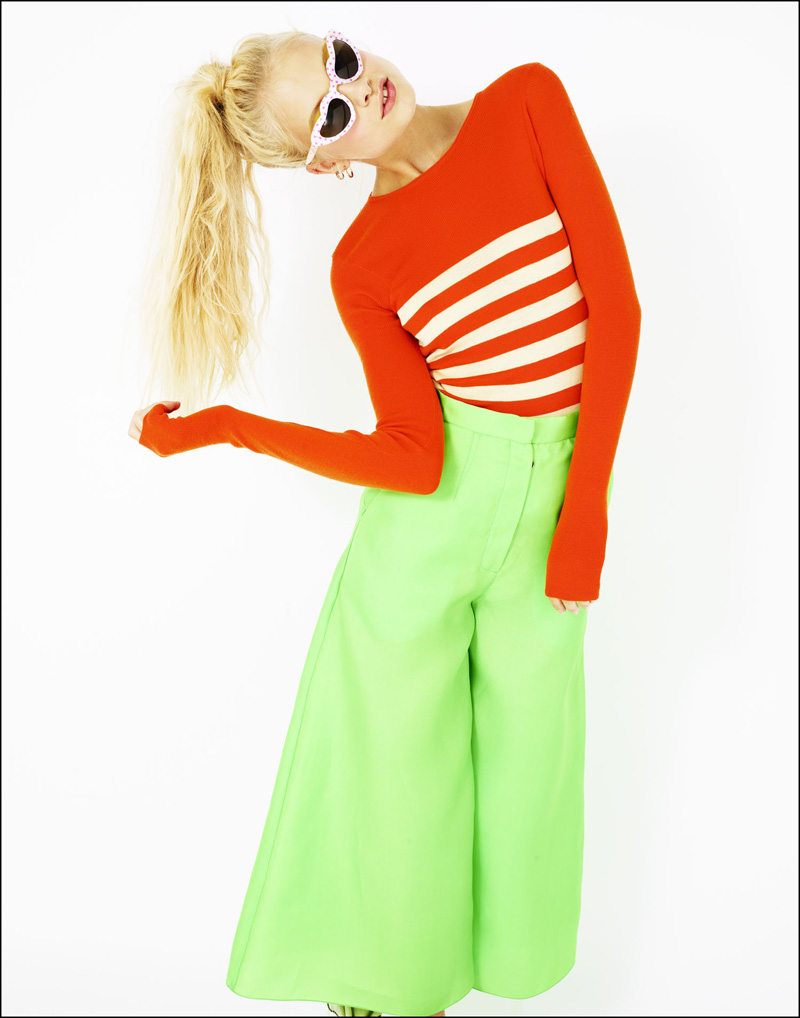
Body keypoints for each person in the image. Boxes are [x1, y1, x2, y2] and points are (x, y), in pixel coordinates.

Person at [128, 26, 641, 1018]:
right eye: (330, 113)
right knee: (395, 768)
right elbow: (412, 454)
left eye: (342, 60)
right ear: (323, 163)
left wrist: (585, 512)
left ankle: (487, 974)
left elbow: (615, 312)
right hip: (425, 534)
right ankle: (388, 994)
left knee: (530, 761)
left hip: (547, 516)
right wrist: (230, 426)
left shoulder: (524, 103)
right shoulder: (362, 263)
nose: (358, 90)